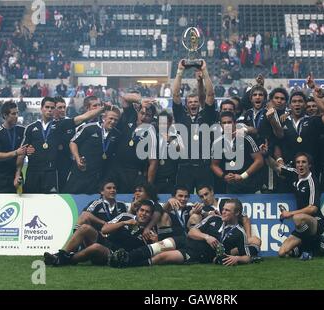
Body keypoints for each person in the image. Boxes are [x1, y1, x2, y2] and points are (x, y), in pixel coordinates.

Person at [111, 198, 252, 267]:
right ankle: (125, 257)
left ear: (237, 213)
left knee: (163, 257)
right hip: (186, 240)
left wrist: (237, 259)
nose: (223, 212)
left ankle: (129, 264)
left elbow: (247, 256)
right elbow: (191, 231)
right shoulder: (214, 218)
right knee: (159, 246)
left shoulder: (240, 233)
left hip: (199, 253)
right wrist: (206, 236)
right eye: (224, 209)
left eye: (228, 210)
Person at [17, 97, 111, 194]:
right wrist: (17, 174)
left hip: (51, 173)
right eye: (47, 107)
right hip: (33, 172)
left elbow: (83, 117)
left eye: (52, 108)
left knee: (51, 202)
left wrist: (102, 109)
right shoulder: (30, 128)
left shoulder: (60, 125)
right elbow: (21, 152)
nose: (49, 110)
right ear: (41, 108)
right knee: (30, 201)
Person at [44, 200, 156, 266]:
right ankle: (61, 254)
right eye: (142, 210)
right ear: (137, 211)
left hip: (116, 254)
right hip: (107, 241)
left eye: (147, 212)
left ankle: (64, 260)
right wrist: (124, 223)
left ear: (151, 215)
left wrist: (155, 241)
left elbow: (150, 250)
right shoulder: (125, 216)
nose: (144, 214)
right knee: (85, 227)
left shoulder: (150, 231)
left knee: (96, 247)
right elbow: (104, 230)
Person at [266, 152, 324, 259]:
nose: (300, 165)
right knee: (282, 253)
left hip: (316, 221)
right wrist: (266, 155)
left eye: (304, 162)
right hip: (302, 224)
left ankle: (310, 248)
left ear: (309, 165)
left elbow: (313, 208)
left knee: (297, 218)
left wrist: (290, 213)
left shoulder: (312, 181)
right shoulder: (294, 174)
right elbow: (276, 167)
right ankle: (315, 245)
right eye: (298, 162)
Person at [172, 59, 217, 193]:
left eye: (195, 101)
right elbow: (175, 94)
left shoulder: (206, 116)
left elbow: (210, 94)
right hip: (184, 167)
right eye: (190, 102)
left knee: (206, 200)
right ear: (186, 105)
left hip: (203, 167)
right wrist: (180, 71)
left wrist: (205, 71)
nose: (193, 104)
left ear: (199, 103)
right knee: (182, 200)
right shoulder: (181, 116)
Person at [63, 108, 120, 194]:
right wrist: (77, 159)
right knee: (71, 196)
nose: (113, 121)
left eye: (116, 120)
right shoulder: (89, 128)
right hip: (80, 172)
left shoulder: (117, 134)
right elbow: (73, 142)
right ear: (104, 117)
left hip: (97, 176)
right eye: (111, 118)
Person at [109, 93, 158, 193]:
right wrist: (141, 101)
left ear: (152, 118)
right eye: (142, 113)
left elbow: (153, 162)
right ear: (138, 112)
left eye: (148, 115)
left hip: (135, 172)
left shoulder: (151, 133)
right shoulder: (130, 116)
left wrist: (148, 187)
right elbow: (126, 98)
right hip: (116, 169)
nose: (143, 117)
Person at [211, 111, 264, 193]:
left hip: (251, 183)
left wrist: (242, 176)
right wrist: (224, 176)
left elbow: (259, 161)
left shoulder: (246, 138)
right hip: (232, 185)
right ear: (220, 125)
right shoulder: (218, 142)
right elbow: (214, 165)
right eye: (224, 123)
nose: (227, 125)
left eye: (229, 122)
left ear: (235, 123)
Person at [0, 101, 31, 193]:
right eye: (13, 113)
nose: (16, 116)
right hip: (0, 175)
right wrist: (15, 152)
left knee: (19, 204)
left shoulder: (22, 131)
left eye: (17, 113)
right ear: (5, 115)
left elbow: (22, 155)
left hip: (16, 173)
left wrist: (17, 175)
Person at [54, 97, 75, 192]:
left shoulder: (70, 123)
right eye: (60, 108)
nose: (63, 110)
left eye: (64, 107)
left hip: (67, 163)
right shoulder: (47, 125)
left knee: (65, 189)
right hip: (52, 164)